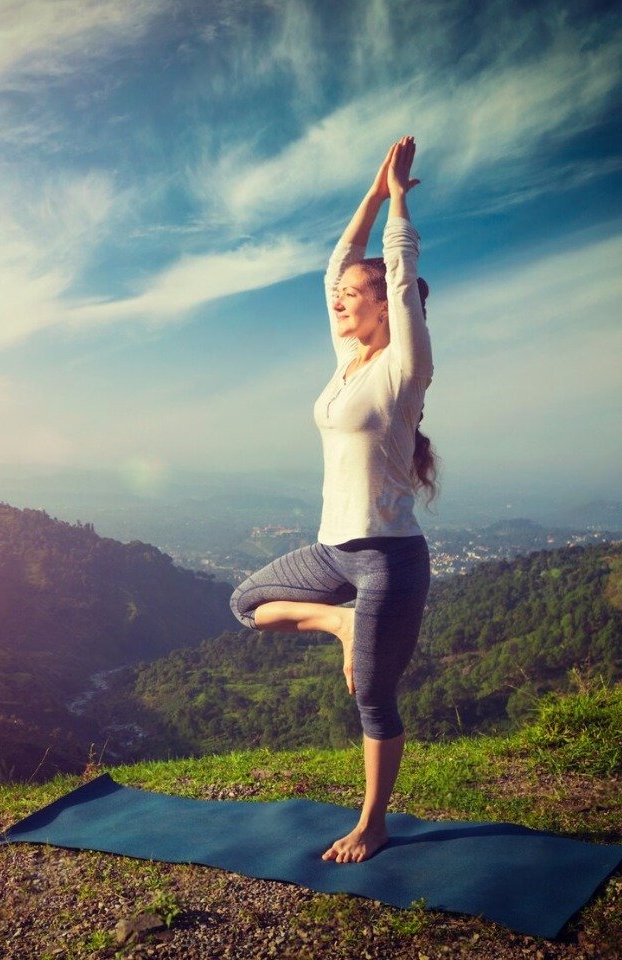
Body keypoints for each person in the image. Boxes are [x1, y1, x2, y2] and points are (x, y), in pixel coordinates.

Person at [229, 135, 437, 865]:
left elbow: (401, 270)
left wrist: (401, 202)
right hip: (331, 553)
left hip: (388, 560)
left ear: (388, 306)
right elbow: (332, 269)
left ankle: (373, 821)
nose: (342, 301)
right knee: (246, 604)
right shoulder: (348, 362)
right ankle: (340, 625)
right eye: (343, 297)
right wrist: (372, 192)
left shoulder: (403, 370)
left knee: (374, 702)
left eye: (357, 296)